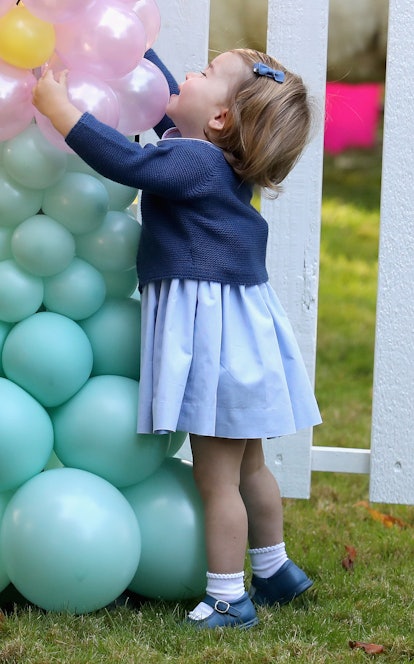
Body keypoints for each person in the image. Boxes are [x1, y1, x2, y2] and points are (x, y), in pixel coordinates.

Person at [32, 47, 321, 630]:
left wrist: (63, 113)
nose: (189, 73)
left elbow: (128, 163)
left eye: (205, 73)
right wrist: (138, 48)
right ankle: (276, 569)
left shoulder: (191, 165)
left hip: (215, 343)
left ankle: (227, 597)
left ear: (217, 120)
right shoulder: (206, 157)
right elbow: (165, 102)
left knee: (215, 478)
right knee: (250, 468)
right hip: (241, 336)